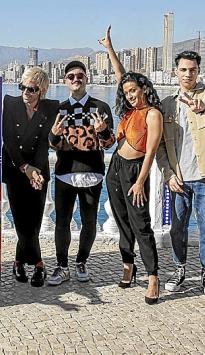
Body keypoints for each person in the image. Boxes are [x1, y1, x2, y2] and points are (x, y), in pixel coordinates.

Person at [100, 27, 162, 304]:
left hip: (136, 171)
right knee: (122, 220)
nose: (129, 95)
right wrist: (109, 50)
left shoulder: (152, 114)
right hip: (116, 167)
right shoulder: (128, 112)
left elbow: (150, 152)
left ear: (144, 89)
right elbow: (121, 77)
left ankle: (152, 276)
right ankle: (128, 266)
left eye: (134, 90)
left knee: (141, 224)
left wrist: (140, 181)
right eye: (126, 92)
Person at [155, 50, 205, 298]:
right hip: (179, 178)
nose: (188, 74)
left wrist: (202, 106)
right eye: (183, 69)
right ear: (176, 72)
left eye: (192, 70)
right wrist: (168, 173)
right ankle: (179, 268)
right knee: (177, 228)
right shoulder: (167, 105)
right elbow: (161, 146)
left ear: (198, 71)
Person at [47, 60, 115, 287]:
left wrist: (102, 130)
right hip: (65, 173)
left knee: (89, 221)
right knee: (62, 222)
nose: (76, 79)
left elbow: (108, 144)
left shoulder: (101, 108)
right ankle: (62, 266)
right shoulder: (58, 110)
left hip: (91, 174)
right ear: (65, 81)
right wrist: (55, 136)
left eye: (80, 76)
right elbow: (53, 144)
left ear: (87, 78)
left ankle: (81, 262)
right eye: (71, 76)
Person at [2, 67, 58, 287]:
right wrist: (25, 168)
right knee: (20, 220)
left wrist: (36, 171)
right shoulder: (10, 103)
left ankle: (18, 261)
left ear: (41, 91)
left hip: (39, 171)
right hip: (16, 170)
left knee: (33, 222)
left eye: (32, 89)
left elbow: (45, 143)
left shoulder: (51, 108)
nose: (26, 92)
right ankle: (38, 264)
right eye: (23, 87)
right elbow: (8, 140)